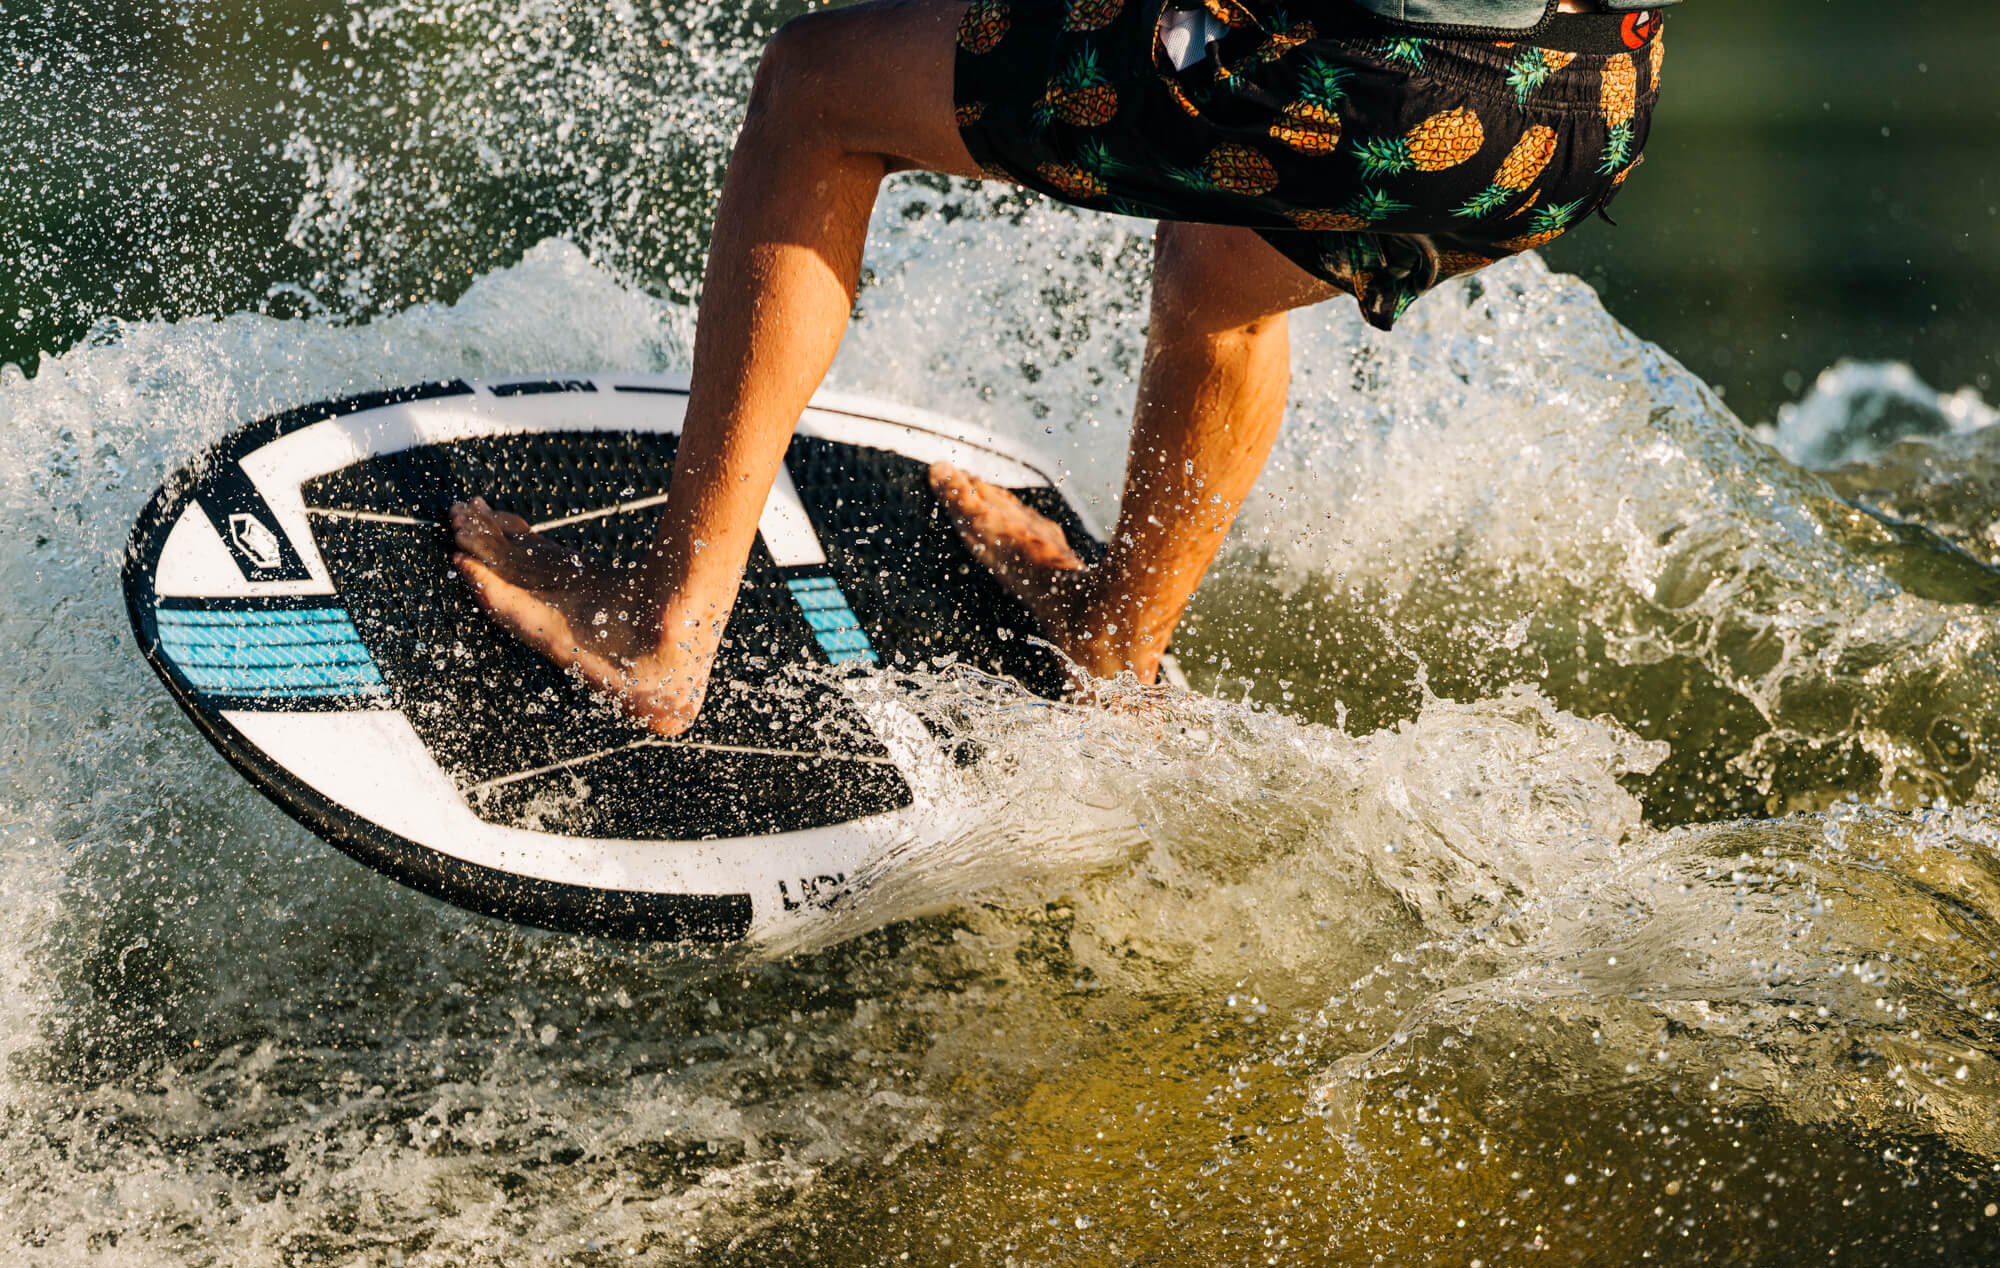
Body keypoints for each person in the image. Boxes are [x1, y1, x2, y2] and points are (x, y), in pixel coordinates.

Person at [449, 0, 1670, 735]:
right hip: (1581, 109)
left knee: (818, 90)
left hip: (1387, 86)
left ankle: (661, 631)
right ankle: (1111, 643)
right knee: (1227, 262)